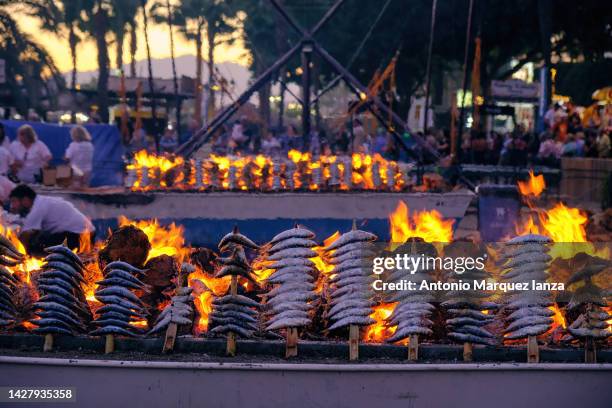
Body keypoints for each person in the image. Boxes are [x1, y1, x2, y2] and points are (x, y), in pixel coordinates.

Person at [8, 185, 94, 257]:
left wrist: (19, 254)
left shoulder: (38, 207)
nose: (12, 206)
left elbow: (26, 235)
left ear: (25, 200)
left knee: (35, 246)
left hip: (78, 236)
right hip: (83, 233)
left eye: (14, 201)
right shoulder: (42, 201)